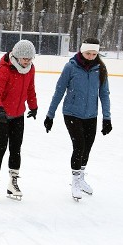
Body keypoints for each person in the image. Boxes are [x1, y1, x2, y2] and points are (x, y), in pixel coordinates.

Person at [44, 37, 111, 201]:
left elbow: (104, 94)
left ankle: (81, 178)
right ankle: (75, 180)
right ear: (82, 51)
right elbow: (59, 91)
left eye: (94, 54)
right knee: (79, 145)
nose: (91, 56)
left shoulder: (100, 69)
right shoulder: (70, 67)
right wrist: (50, 115)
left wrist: (107, 118)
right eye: (88, 53)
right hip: (72, 113)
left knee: (87, 147)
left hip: (91, 115)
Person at [0, 39, 38, 202]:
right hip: (0, 116)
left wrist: (33, 106)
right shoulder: (4, 70)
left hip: (18, 116)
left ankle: (12, 183)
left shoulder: (30, 69)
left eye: (30, 59)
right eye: (24, 58)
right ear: (16, 56)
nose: (27, 61)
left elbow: (30, 89)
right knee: (0, 149)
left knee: (16, 150)